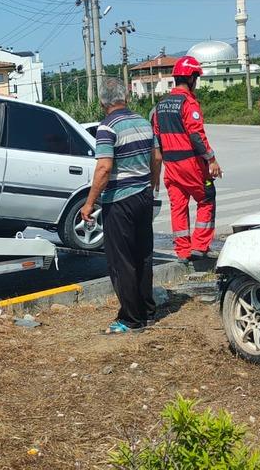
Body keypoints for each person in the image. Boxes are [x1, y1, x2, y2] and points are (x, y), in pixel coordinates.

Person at [81, 77, 161, 334]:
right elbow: (157, 156)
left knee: (121, 260)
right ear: (125, 97)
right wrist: (152, 180)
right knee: (143, 254)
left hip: (119, 200)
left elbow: (104, 167)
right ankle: (147, 311)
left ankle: (130, 318)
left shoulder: (107, 128)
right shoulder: (142, 122)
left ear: (103, 101)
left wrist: (89, 202)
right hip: (143, 196)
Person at [151, 55, 223, 263]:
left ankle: (183, 251)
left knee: (178, 206)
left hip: (171, 166)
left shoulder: (160, 106)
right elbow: (196, 135)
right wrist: (211, 160)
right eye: (196, 78)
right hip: (191, 164)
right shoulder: (188, 103)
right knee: (207, 198)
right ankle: (200, 246)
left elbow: (157, 141)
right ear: (191, 78)